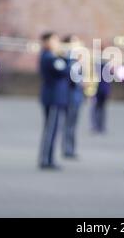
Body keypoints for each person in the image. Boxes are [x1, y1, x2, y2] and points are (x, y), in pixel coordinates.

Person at [38, 32, 70, 169]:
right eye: (54, 40)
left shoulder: (52, 56)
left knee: (53, 129)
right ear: (47, 42)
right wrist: (69, 58)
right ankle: (46, 159)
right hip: (53, 98)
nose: (57, 43)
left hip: (55, 97)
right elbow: (65, 71)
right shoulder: (49, 57)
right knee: (51, 130)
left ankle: (48, 158)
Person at [62, 34, 85, 158]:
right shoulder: (70, 60)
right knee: (69, 124)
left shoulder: (75, 60)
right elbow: (74, 79)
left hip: (76, 96)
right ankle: (68, 148)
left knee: (72, 124)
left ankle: (70, 148)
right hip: (71, 96)